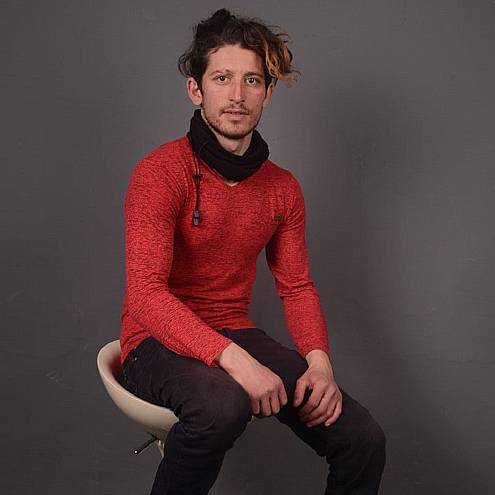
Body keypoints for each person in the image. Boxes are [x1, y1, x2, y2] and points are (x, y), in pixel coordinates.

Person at [119, 8, 386, 495]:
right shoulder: (160, 172)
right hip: (153, 342)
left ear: (268, 92)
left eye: (252, 80)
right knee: (224, 405)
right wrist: (235, 361)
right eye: (222, 78)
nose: (237, 96)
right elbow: (145, 294)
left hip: (234, 330)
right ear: (196, 90)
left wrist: (320, 364)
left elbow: (297, 286)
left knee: (362, 439)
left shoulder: (282, 188)